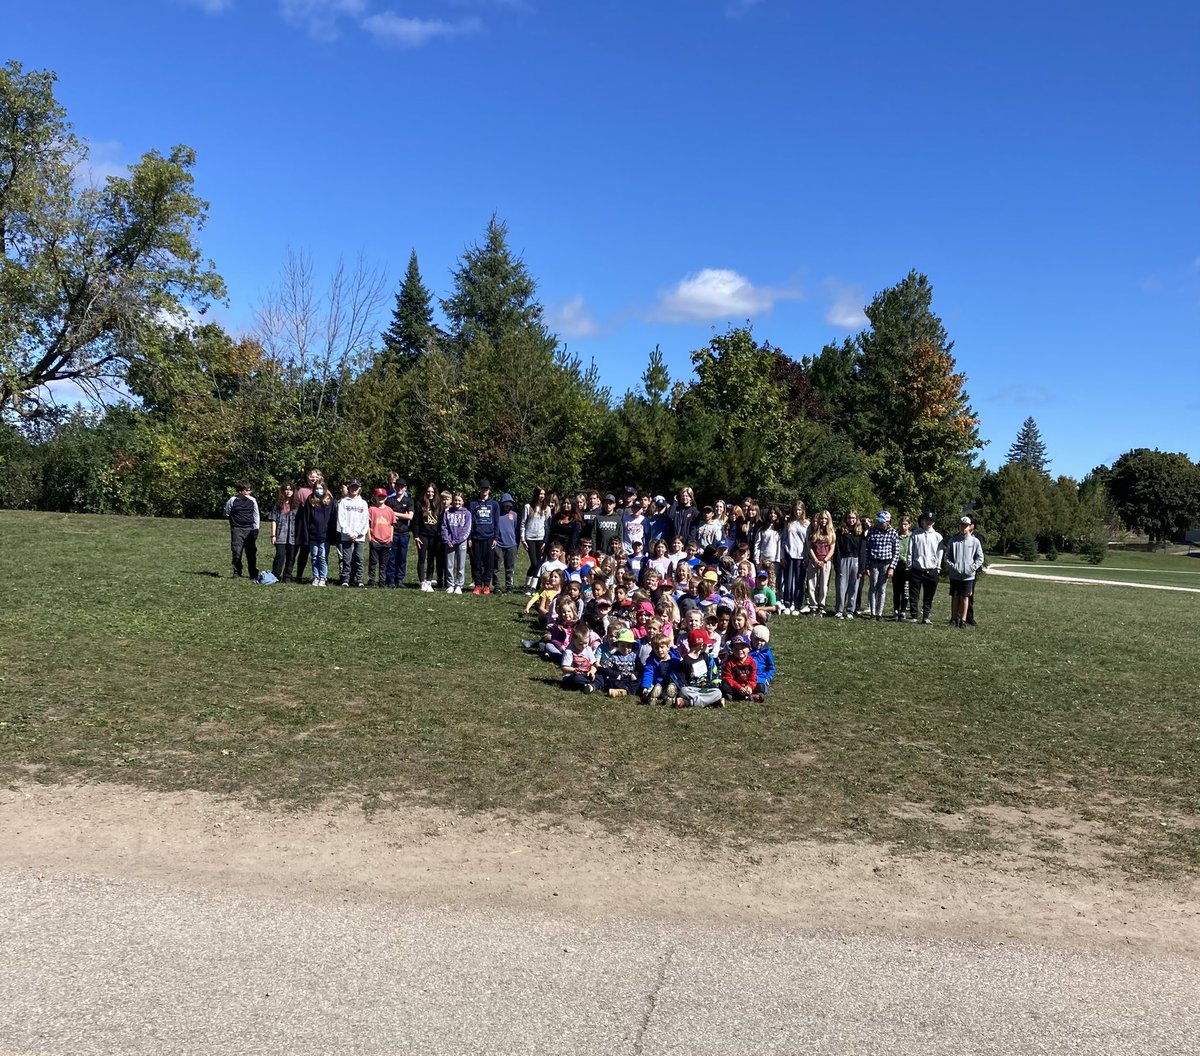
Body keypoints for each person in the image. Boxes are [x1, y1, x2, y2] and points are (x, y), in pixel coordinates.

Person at [944, 515, 985, 627]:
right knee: (955, 597)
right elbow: (947, 557)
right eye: (962, 525)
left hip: (968, 576)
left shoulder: (975, 541)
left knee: (965, 597)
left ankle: (963, 619)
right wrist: (953, 566)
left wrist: (971, 568)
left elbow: (980, 558)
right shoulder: (953, 541)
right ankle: (953, 618)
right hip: (955, 575)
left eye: (966, 526)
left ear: (970, 527)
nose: (963, 528)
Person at [907, 512, 944, 624]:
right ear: (923, 520)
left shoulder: (938, 536)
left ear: (934, 522)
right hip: (917, 569)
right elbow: (910, 551)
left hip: (931, 570)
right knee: (914, 594)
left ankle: (926, 616)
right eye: (927, 520)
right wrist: (909, 565)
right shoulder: (915, 534)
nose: (928, 522)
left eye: (931, 521)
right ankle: (914, 615)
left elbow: (939, 553)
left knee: (929, 595)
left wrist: (937, 568)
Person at [861, 511, 899, 621]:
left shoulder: (893, 533)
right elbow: (867, 550)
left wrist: (892, 567)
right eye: (878, 521)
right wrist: (867, 566)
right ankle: (872, 613)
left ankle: (879, 613)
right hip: (874, 562)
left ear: (888, 521)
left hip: (886, 563)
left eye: (882, 522)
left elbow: (895, 552)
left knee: (882, 588)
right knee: (873, 587)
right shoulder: (872, 531)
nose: (879, 524)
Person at [671, 628, 723, 708]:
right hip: (693, 689)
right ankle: (711, 702)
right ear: (701, 645)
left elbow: (709, 674)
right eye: (707, 644)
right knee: (683, 691)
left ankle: (689, 703)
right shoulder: (685, 661)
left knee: (718, 692)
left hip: (705, 689)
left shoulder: (705, 657)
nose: (708, 646)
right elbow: (682, 680)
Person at [299, 480, 334, 587]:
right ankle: (316, 577)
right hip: (313, 534)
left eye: (321, 488)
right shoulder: (310, 500)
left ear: (325, 489)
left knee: (322, 556)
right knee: (314, 556)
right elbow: (306, 519)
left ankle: (323, 577)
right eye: (317, 488)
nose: (319, 490)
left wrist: (332, 535)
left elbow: (333, 518)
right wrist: (306, 534)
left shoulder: (329, 501)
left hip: (325, 535)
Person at [468, 479, 500, 595]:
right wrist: (469, 537)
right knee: (476, 562)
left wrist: (495, 538)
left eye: (486, 488)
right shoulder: (473, 504)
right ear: (480, 489)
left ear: (489, 490)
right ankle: (477, 585)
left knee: (489, 563)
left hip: (490, 538)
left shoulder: (495, 505)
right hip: (476, 538)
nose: (484, 490)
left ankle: (486, 585)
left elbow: (496, 522)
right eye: (483, 488)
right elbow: (470, 522)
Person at [223, 481, 260, 579]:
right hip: (237, 529)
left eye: (249, 490)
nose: (249, 492)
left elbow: (256, 515)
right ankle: (237, 572)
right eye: (246, 490)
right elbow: (227, 512)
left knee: (251, 553)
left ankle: (253, 573)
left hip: (250, 529)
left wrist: (256, 529)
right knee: (236, 551)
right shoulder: (232, 500)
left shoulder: (253, 501)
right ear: (240, 491)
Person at [336, 480, 370, 588]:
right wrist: (350, 533)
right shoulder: (344, 502)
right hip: (346, 535)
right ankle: (346, 579)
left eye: (356, 487)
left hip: (359, 536)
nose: (354, 489)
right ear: (349, 488)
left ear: (359, 488)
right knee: (347, 558)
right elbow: (342, 519)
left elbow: (364, 520)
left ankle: (359, 579)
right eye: (352, 487)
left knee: (359, 558)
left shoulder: (363, 503)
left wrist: (356, 533)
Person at [293, 468, 323, 583]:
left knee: (308, 553)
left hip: (316, 527)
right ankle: (289, 574)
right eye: (311, 476)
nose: (314, 479)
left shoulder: (325, 491)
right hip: (301, 525)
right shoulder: (302, 491)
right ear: (308, 478)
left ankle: (302, 574)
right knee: (295, 551)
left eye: (316, 476)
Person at [804, 510, 835, 616]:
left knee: (823, 586)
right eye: (822, 518)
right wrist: (816, 560)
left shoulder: (831, 532)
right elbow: (810, 547)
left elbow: (832, 549)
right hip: (814, 561)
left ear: (828, 520)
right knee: (812, 585)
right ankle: (813, 607)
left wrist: (824, 560)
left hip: (826, 562)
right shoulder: (813, 531)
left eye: (826, 518)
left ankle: (821, 607)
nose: (823, 520)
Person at [441, 491, 472, 595]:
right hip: (449, 542)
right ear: (452, 501)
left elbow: (467, 529)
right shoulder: (447, 513)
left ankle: (459, 585)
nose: (457, 502)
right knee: (449, 565)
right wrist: (447, 540)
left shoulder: (467, 513)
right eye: (455, 500)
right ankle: (450, 584)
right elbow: (444, 527)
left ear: (463, 501)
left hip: (461, 542)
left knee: (461, 565)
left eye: (459, 500)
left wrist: (457, 540)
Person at [781, 500, 809, 614]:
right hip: (789, 554)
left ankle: (797, 605)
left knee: (799, 581)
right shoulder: (789, 523)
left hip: (802, 556)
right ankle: (788, 603)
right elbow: (784, 540)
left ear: (803, 511)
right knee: (788, 580)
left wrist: (807, 556)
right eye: (796, 510)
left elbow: (808, 542)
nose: (797, 512)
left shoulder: (807, 524)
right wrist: (782, 555)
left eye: (799, 510)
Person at [834, 510, 864, 619]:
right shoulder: (841, 532)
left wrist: (861, 568)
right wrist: (837, 566)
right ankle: (839, 610)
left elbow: (862, 551)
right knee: (841, 587)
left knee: (854, 587)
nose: (851, 520)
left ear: (856, 519)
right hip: (843, 560)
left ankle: (850, 610)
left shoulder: (860, 533)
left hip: (855, 560)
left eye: (853, 518)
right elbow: (837, 549)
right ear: (845, 519)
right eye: (849, 518)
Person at [521, 487, 550, 595]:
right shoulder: (528, 507)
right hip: (530, 538)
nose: (541, 496)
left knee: (539, 563)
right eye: (540, 494)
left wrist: (545, 541)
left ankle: (533, 587)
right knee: (534, 562)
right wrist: (523, 539)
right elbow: (523, 523)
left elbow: (547, 526)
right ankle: (527, 586)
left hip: (541, 538)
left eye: (543, 494)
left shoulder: (546, 508)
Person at [598, 628, 641, 698]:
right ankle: (625, 690)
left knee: (639, 681)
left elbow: (640, 668)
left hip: (631, 679)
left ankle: (624, 691)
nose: (626, 648)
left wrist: (634, 674)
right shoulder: (614, 657)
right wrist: (616, 674)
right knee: (611, 681)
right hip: (619, 679)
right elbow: (605, 668)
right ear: (618, 645)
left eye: (629, 646)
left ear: (632, 646)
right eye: (623, 645)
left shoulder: (634, 657)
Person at [386, 477, 413, 588]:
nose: (400, 488)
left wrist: (395, 513)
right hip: (393, 532)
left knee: (402, 557)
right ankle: (391, 579)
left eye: (402, 486)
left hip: (404, 533)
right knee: (391, 557)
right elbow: (388, 515)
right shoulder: (389, 500)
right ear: (395, 487)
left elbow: (410, 516)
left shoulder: (409, 500)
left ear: (405, 488)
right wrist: (402, 515)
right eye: (398, 486)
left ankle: (400, 580)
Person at [367, 488, 397, 588]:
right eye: (379, 496)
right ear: (375, 497)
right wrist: (370, 538)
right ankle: (372, 580)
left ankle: (382, 581)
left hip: (387, 540)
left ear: (386, 497)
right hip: (375, 539)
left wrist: (391, 538)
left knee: (384, 563)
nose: (381, 498)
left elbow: (392, 525)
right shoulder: (371, 509)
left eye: (383, 496)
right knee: (373, 562)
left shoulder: (389, 510)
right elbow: (368, 524)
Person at [268, 483, 299, 583]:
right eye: (286, 489)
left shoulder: (297, 505)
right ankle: (275, 575)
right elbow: (273, 520)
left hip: (293, 536)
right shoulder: (278, 505)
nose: (288, 491)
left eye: (290, 489)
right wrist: (273, 535)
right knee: (280, 555)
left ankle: (287, 576)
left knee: (291, 557)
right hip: (280, 535)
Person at [415, 482, 442, 592]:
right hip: (422, 535)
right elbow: (415, 521)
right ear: (425, 492)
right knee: (422, 558)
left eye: (432, 492)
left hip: (434, 536)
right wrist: (416, 536)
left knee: (431, 559)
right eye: (428, 491)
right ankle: (422, 582)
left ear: (435, 492)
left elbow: (440, 521)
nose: (430, 494)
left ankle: (429, 581)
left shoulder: (438, 504)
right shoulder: (420, 504)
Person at [640, 633, 679, 705]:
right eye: (656, 648)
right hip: (656, 683)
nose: (659, 650)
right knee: (654, 689)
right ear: (653, 649)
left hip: (670, 682)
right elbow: (648, 673)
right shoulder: (651, 660)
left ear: (668, 647)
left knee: (671, 687)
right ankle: (652, 697)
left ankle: (669, 698)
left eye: (662, 647)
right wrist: (645, 686)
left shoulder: (675, 659)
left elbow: (679, 673)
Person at [560, 623, 598, 693]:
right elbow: (564, 667)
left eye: (586, 643)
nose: (583, 646)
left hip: (586, 674)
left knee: (600, 675)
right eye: (581, 644)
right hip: (572, 676)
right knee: (576, 679)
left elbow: (593, 664)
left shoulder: (588, 649)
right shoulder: (569, 651)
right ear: (573, 640)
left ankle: (590, 685)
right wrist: (574, 670)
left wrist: (592, 671)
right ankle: (591, 685)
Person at [721, 635, 758, 704]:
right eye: (736, 648)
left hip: (747, 686)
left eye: (742, 648)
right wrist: (739, 688)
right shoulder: (730, 662)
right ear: (732, 650)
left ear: (749, 649)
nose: (739, 651)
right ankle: (743, 697)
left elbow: (753, 677)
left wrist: (750, 686)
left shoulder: (752, 662)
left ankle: (752, 695)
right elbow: (727, 678)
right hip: (735, 687)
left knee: (760, 685)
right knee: (724, 685)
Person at [495, 493, 520, 593]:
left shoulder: (514, 515)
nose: (507, 507)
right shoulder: (497, 514)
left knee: (510, 568)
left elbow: (516, 530)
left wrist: (516, 544)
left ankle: (509, 586)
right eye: (505, 505)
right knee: (497, 567)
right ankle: (497, 586)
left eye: (509, 505)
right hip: (498, 545)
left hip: (511, 545)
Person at [892, 513, 913, 620]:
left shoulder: (912, 536)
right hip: (896, 565)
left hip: (907, 566)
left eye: (905, 524)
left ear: (909, 525)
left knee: (905, 589)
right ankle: (896, 610)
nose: (903, 526)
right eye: (902, 524)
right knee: (896, 589)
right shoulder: (896, 535)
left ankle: (903, 611)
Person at [749, 624, 775, 700]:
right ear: (751, 638)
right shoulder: (747, 650)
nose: (759, 643)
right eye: (756, 639)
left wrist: (767, 678)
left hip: (759, 678)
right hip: (747, 676)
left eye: (762, 641)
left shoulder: (766, 652)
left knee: (760, 687)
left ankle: (756, 696)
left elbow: (771, 668)